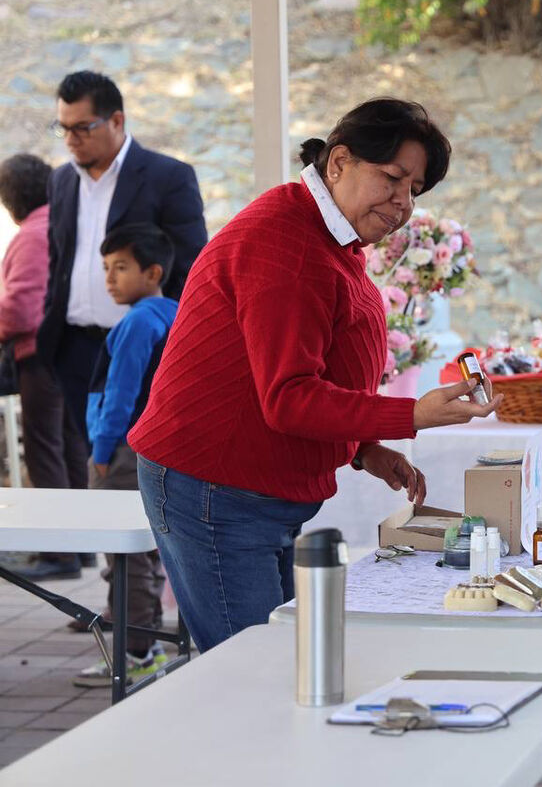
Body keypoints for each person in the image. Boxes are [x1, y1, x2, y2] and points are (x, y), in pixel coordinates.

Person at [127, 98, 503, 652]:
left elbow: (297, 368)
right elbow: (289, 397)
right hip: (216, 486)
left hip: (246, 488)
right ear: (339, 162)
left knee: (284, 658)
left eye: (415, 191)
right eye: (393, 179)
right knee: (255, 669)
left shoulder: (325, 232)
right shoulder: (287, 242)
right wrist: (413, 414)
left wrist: (364, 446)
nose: (402, 203)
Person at [31, 70, 207, 580]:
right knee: (97, 472)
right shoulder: (61, 178)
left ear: (117, 120)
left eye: (82, 127)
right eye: (61, 127)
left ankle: (142, 613)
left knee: (141, 479)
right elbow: (60, 258)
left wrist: (168, 336)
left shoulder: (167, 176)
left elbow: (193, 267)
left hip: (145, 351)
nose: (70, 139)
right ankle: (118, 598)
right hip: (77, 349)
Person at [70, 223, 176, 687]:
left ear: (152, 272)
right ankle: (141, 644)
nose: (110, 278)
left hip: (122, 452)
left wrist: (101, 449)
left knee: (124, 554)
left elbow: (120, 393)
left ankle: (136, 652)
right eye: (106, 268)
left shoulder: (137, 322)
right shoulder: (174, 313)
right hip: (159, 449)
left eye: (121, 268)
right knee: (145, 551)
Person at [0, 153, 91, 580]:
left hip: (41, 355)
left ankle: (59, 553)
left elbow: (20, 308)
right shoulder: (65, 222)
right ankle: (85, 544)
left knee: (45, 449)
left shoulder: (34, 232)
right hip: (72, 354)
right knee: (72, 447)